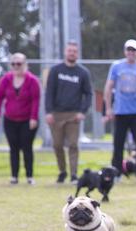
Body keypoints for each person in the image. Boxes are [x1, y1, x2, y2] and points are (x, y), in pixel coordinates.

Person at [104, 39, 136, 182]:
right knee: (118, 144)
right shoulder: (116, 66)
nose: (131, 52)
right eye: (128, 50)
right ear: (125, 51)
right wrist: (108, 108)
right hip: (120, 111)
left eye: (134, 50)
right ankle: (116, 173)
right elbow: (108, 87)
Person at [45, 41, 92, 184]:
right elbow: (49, 92)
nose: (72, 53)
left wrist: (82, 111)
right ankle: (62, 171)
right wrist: (48, 112)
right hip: (57, 114)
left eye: (74, 51)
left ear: (77, 54)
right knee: (57, 145)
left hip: (73, 115)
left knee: (73, 144)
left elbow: (88, 94)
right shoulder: (55, 70)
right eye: (70, 50)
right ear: (65, 52)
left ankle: (73, 174)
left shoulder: (82, 72)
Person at [0, 53, 41, 185]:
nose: (16, 66)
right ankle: (14, 176)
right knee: (13, 147)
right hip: (10, 119)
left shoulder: (32, 81)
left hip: (27, 120)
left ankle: (29, 176)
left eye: (19, 63)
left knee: (27, 147)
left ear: (24, 64)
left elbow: (36, 100)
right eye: (13, 64)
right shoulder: (6, 79)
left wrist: (34, 118)